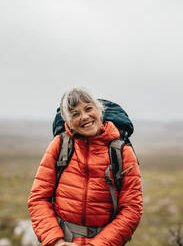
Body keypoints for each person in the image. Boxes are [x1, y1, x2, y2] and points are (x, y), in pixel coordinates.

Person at [27, 87, 143, 246]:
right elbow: (38, 199)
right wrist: (56, 241)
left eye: (88, 108)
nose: (84, 117)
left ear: (99, 110)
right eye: (75, 114)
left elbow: (132, 210)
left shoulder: (122, 152)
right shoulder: (60, 145)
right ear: (68, 122)